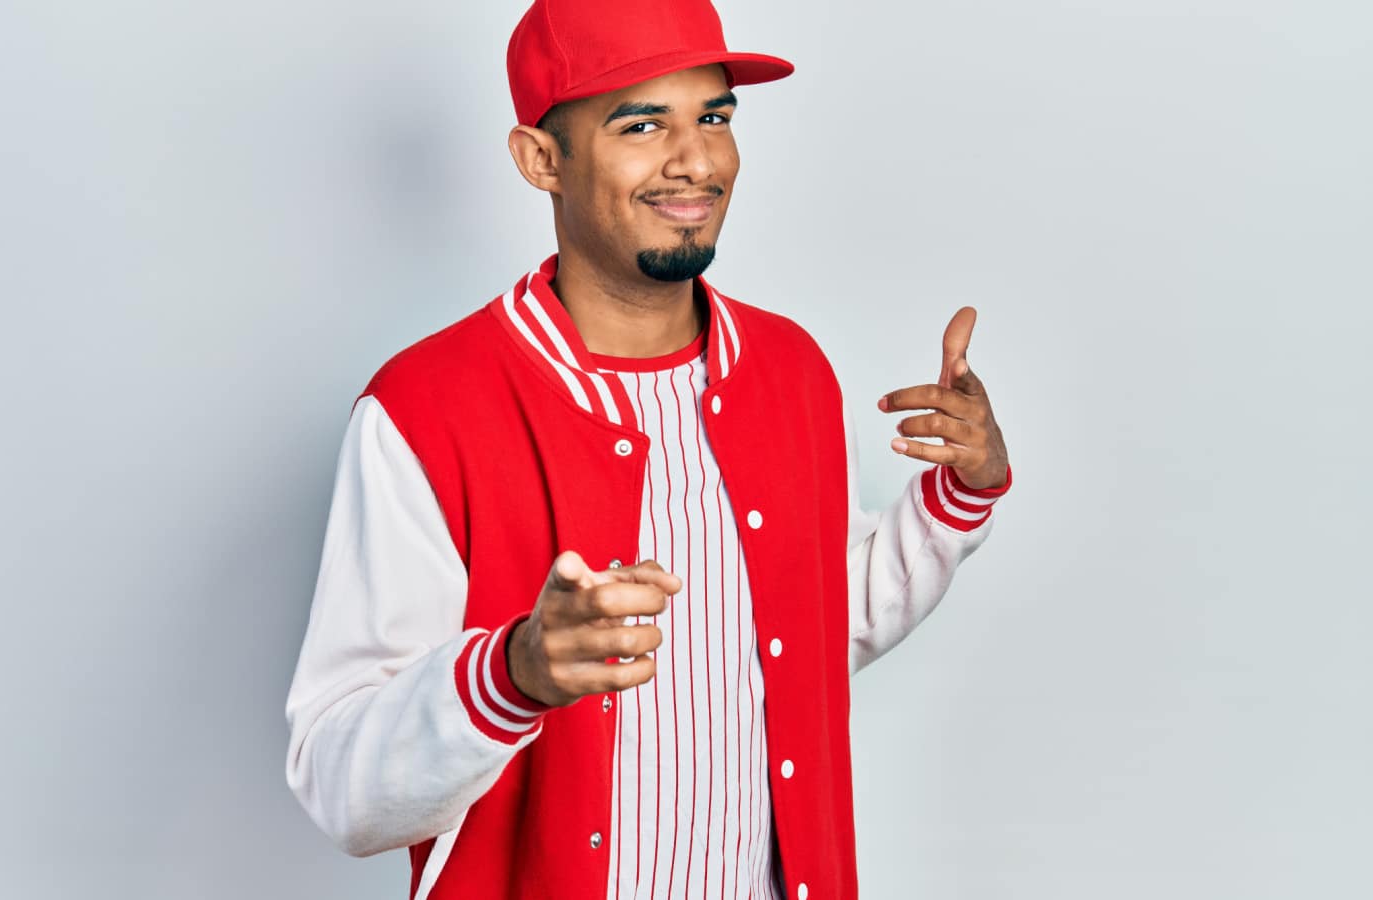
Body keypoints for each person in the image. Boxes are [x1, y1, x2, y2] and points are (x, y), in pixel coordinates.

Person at [284, 1, 1013, 897]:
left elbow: (808, 638)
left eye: (713, 117)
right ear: (539, 159)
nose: (697, 161)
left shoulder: (790, 370)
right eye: (642, 124)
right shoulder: (425, 408)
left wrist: (957, 499)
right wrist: (513, 673)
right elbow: (339, 787)